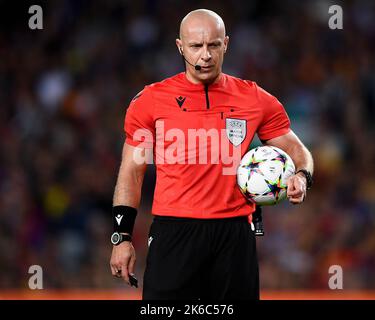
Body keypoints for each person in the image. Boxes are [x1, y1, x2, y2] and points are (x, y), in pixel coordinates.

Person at [109, 9, 314, 300]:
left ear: (226, 44)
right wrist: (122, 237)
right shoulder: (150, 101)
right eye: (196, 46)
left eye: (213, 45)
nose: (205, 55)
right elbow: (131, 171)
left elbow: (297, 150)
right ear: (180, 47)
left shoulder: (255, 99)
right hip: (174, 233)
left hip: (235, 235)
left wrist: (303, 176)